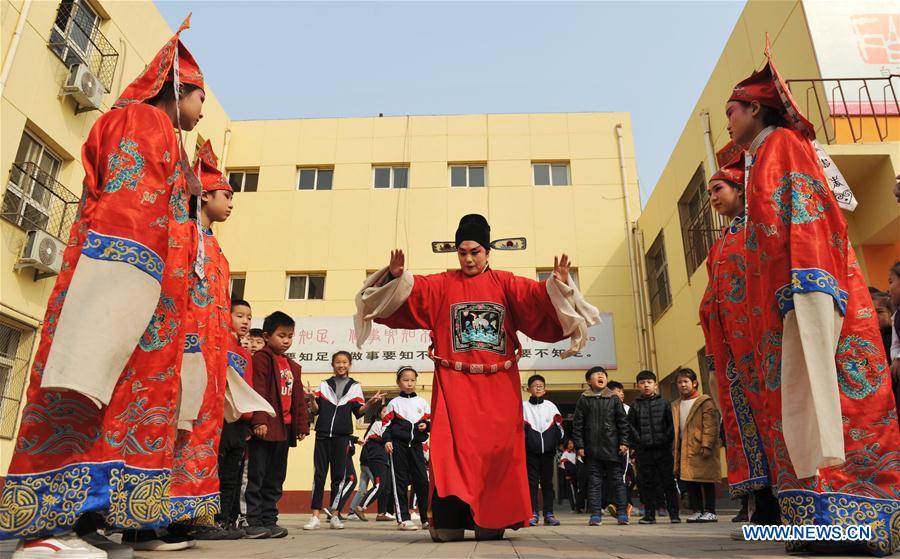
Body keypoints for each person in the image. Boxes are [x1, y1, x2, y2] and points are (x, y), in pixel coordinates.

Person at [0, 16, 206, 559]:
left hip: (148, 294)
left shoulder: (159, 132)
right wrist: (124, 285)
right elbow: (129, 207)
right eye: (200, 97)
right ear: (176, 85)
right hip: (120, 278)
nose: (203, 111)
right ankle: (42, 530)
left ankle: (84, 523)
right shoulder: (141, 121)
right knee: (80, 393)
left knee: (118, 407)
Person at [723, 44, 900, 554]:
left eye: (732, 110)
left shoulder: (783, 145)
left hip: (809, 294)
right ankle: (812, 524)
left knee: (839, 405)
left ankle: (861, 522)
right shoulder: (761, 157)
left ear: (755, 108)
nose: (729, 121)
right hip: (784, 306)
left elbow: (808, 213)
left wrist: (808, 288)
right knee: (798, 411)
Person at [354, 214, 599, 542]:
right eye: (462, 252)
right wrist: (396, 278)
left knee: (495, 456)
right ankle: (450, 518)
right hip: (454, 388)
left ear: (487, 251)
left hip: (498, 390)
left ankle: (492, 516)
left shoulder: (507, 284)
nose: (468, 259)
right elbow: (408, 295)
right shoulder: (442, 285)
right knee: (450, 456)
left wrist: (557, 286)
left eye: (475, 252)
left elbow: (537, 301)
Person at [698, 157, 781, 527]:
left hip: (764, 348)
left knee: (772, 422)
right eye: (709, 192)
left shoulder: (760, 228)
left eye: (718, 189)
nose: (712, 197)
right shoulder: (722, 244)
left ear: (739, 189)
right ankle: (760, 506)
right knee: (743, 429)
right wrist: (716, 359)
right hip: (734, 355)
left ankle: (782, 505)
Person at [244, 312, 309, 539]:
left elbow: (298, 398)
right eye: (281, 335)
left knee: (275, 477)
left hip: (284, 429)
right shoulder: (261, 358)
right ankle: (253, 521)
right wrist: (259, 420)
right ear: (266, 335)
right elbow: (258, 390)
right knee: (257, 476)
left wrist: (301, 425)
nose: (286, 340)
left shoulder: (292, 365)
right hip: (266, 428)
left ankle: (269, 520)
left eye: (290, 336)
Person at [304, 352, 383, 530]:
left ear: (350, 364)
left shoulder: (355, 387)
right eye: (338, 362)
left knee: (339, 478)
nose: (341, 365)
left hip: (342, 437)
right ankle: (315, 515)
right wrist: (310, 399)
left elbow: (359, 412)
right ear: (333, 364)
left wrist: (371, 403)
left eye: (344, 362)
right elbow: (316, 410)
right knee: (319, 476)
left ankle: (335, 514)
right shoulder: (324, 385)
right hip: (323, 435)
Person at [572, 366, 631, 526]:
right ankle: (596, 514)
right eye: (596, 374)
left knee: (618, 481)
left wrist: (624, 442)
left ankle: (622, 513)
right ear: (589, 381)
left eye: (603, 374)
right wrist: (580, 446)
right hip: (592, 449)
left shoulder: (614, 398)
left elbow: (622, 423)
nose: (600, 376)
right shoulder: (584, 399)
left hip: (613, 448)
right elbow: (578, 425)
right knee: (594, 482)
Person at [628, 371, 680, 524]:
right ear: (638, 386)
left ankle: (674, 515)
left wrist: (665, 439)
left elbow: (672, 425)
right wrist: (638, 441)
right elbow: (629, 426)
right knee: (646, 483)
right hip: (643, 451)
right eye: (643, 383)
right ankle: (649, 515)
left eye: (649, 382)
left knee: (668, 483)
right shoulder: (635, 406)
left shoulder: (664, 404)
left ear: (655, 385)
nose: (646, 385)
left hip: (663, 450)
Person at [382, 367, 431, 531]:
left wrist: (427, 425)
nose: (409, 383)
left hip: (417, 447)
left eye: (412, 380)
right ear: (398, 382)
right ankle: (403, 518)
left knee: (422, 482)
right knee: (400, 483)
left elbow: (431, 421)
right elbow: (385, 425)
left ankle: (426, 518)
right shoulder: (394, 403)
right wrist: (387, 440)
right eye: (405, 380)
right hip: (398, 447)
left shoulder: (422, 402)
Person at [671, 369, 720, 523]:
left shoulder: (705, 402)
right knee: (690, 480)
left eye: (686, 381)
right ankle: (697, 510)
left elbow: (710, 425)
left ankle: (710, 511)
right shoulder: (676, 404)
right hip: (684, 449)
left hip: (701, 447)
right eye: (680, 382)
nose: (683, 385)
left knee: (706, 480)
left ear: (694, 383)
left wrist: (707, 445)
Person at [522, 374, 564, 527]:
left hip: (548, 452)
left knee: (547, 483)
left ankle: (549, 513)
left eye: (541, 385)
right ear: (529, 389)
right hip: (530, 452)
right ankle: (532, 513)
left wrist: (555, 441)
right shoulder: (523, 406)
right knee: (531, 483)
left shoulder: (551, 406)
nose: (538, 388)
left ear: (545, 389)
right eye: (535, 386)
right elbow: (518, 429)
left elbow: (559, 427)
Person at [349, 405, 390, 520]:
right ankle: (360, 507)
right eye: (384, 411)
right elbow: (387, 438)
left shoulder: (386, 425)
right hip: (374, 458)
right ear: (379, 414)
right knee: (379, 485)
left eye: (389, 412)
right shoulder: (378, 424)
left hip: (380, 458)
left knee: (384, 487)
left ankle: (381, 513)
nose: (387, 414)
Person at [558, 440, 579, 511]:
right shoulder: (565, 453)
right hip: (569, 474)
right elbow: (562, 464)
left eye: (572, 443)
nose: (570, 445)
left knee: (576, 490)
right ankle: (573, 506)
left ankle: (578, 505)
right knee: (571, 491)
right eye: (569, 443)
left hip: (576, 474)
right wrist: (568, 472)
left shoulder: (575, 452)